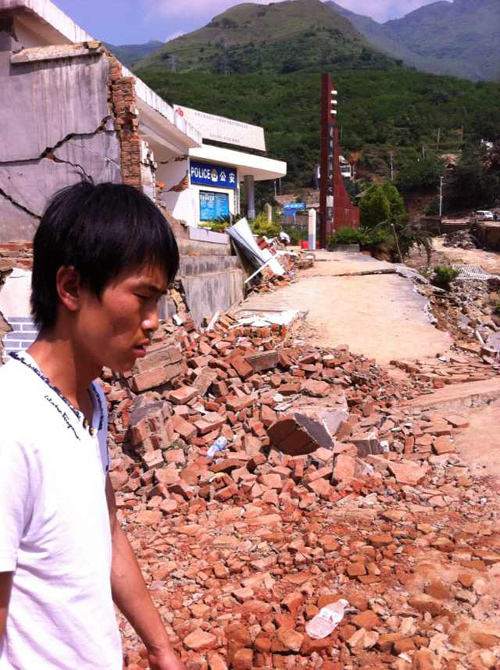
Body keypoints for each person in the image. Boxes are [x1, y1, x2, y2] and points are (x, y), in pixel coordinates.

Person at [0, 182, 185, 670]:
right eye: (143, 298)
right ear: (71, 288)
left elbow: (107, 529)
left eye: (159, 302)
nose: (154, 322)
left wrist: (161, 649)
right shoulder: (11, 422)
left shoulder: (91, 398)